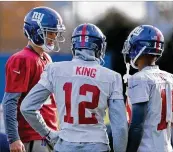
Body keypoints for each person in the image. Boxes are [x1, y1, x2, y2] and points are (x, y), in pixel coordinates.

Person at [20, 23, 128, 152]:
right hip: (97, 146)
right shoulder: (112, 77)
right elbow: (120, 127)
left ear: (74, 46)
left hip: (65, 145)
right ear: (99, 47)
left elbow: (27, 107)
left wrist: (49, 134)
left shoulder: (54, 69)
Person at [2, 6, 66, 152]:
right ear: (35, 31)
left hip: (48, 132)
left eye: (55, 33)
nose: (54, 37)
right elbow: (10, 102)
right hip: (31, 135)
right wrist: (14, 138)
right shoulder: (21, 59)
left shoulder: (46, 58)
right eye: (50, 32)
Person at [122, 25, 173, 152]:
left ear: (140, 47)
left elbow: (137, 126)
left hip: (146, 148)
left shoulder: (139, 79)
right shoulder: (172, 78)